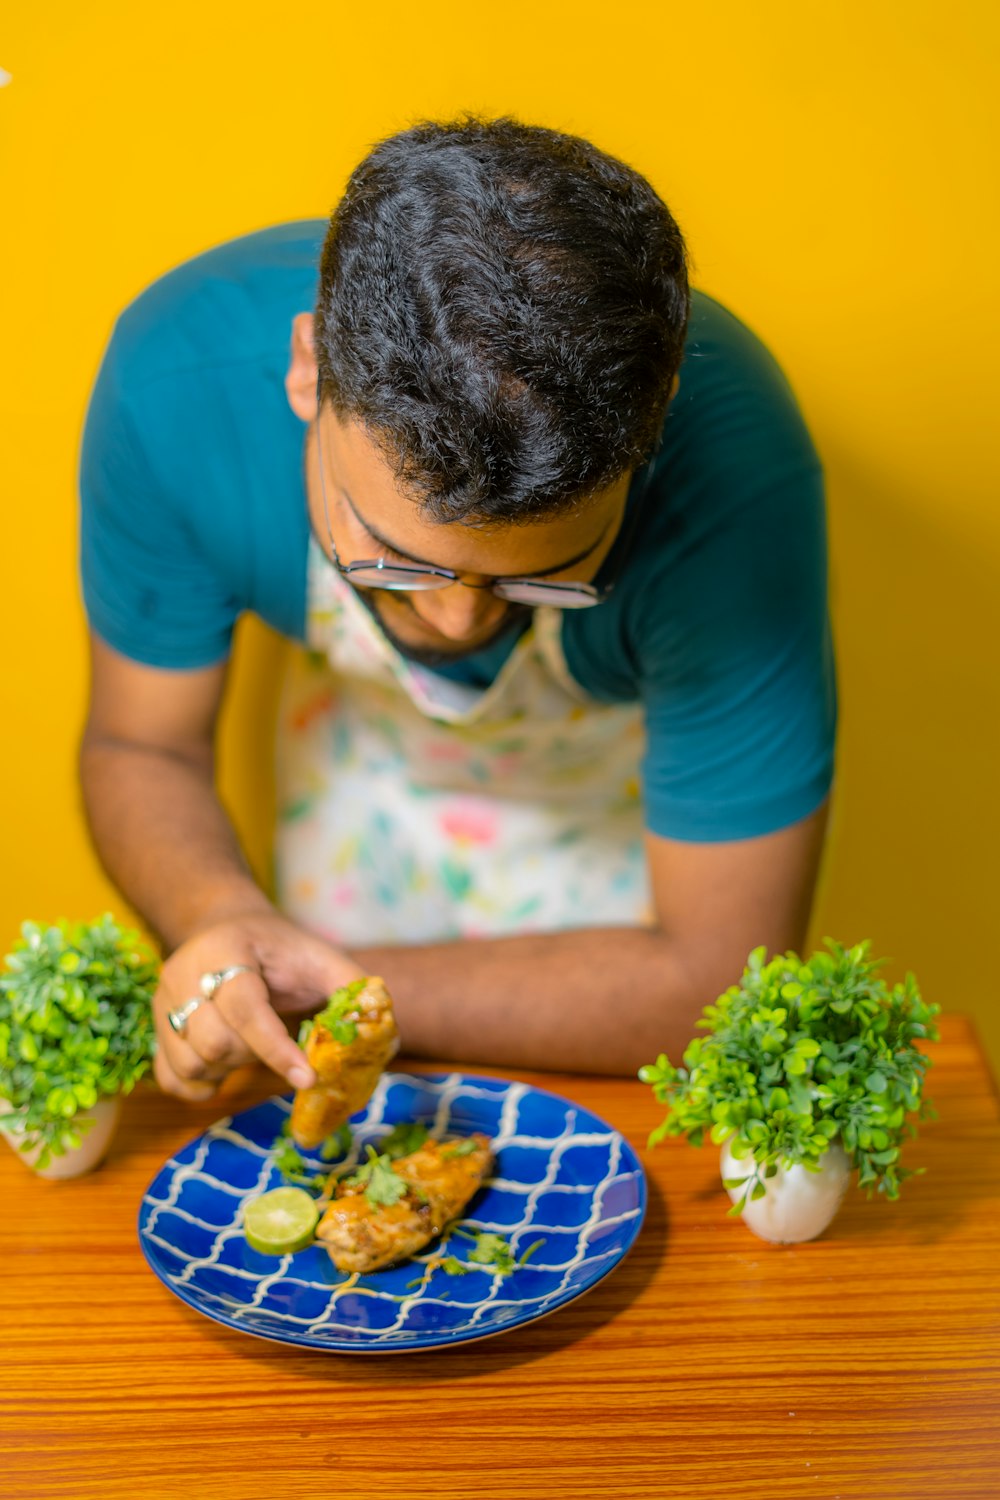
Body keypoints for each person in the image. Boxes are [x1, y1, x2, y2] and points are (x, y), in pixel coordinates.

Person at [78, 117, 835, 1100]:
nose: (457, 624)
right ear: (308, 371)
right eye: (396, 563)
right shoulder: (174, 392)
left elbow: (716, 982)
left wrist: (321, 988)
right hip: (358, 801)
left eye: (540, 576)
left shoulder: (737, 479)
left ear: (655, 427)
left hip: (610, 852)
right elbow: (144, 747)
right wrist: (225, 916)